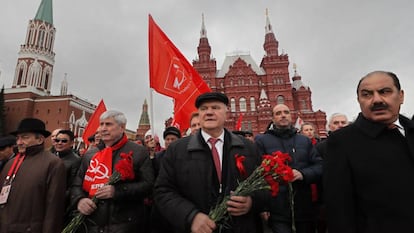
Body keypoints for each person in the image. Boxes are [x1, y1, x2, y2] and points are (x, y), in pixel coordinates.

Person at [154, 92, 265, 233]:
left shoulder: (248, 147)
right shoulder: (178, 150)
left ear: (227, 112)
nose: (209, 113)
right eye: (204, 109)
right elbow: (163, 191)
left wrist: (252, 202)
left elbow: (265, 186)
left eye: (215, 108)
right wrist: (190, 216)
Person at [324, 71, 414, 233]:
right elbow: (339, 208)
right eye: (367, 95)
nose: (377, 100)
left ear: (401, 96)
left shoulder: (410, 131)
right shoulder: (342, 142)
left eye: (385, 91)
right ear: (359, 100)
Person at [70, 110, 154, 232]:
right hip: (92, 224)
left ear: (122, 127)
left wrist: (117, 191)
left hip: (124, 225)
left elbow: (149, 185)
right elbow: (77, 184)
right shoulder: (91, 154)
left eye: (108, 124)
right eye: (101, 124)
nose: (103, 129)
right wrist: (79, 200)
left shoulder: (138, 152)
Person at [255, 104, 322, 233]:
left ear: (291, 116)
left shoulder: (304, 141)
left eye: (286, 112)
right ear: (272, 118)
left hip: (304, 206)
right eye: (278, 113)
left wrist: (302, 174)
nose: (283, 115)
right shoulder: (262, 141)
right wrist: (263, 206)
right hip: (277, 209)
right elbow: (257, 174)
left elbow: (319, 166)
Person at [0, 118, 66, 232]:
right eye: (18, 138)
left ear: (40, 139)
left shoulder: (53, 164)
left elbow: (53, 209)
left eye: (25, 137)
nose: (19, 142)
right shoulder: (10, 163)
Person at [150, 126, 181, 233]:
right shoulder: (158, 157)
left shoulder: (184, 156)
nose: (169, 142)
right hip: (160, 202)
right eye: (167, 139)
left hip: (179, 201)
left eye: (173, 139)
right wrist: (151, 156)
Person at [54, 129, 81, 222]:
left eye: (64, 141)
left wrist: (56, 198)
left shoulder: (76, 161)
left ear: (71, 143)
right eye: (57, 140)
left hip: (61, 205)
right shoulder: (50, 157)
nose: (59, 143)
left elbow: (73, 186)